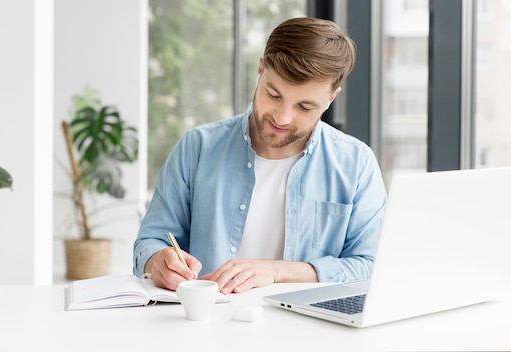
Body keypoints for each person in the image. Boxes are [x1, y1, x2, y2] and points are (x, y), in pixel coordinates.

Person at [133, 17, 387, 294]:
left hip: (310, 333)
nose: (282, 117)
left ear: (331, 98)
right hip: (207, 326)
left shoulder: (356, 163)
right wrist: (158, 261)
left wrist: (276, 271)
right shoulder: (197, 148)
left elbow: (371, 264)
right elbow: (150, 242)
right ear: (260, 67)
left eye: (305, 107)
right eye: (273, 94)